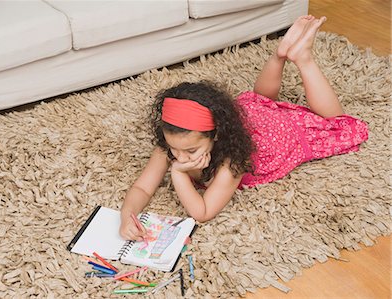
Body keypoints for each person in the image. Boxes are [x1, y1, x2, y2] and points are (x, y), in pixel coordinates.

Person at [119, 15, 368, 241]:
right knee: (259, 102)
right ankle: (278, 56)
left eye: (191, 151)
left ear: (215, 134)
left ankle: (304, 59)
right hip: (251, 119)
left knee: (336, 122)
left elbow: (202, 212)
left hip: (276, 135)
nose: (180, 157)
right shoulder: (174, 145)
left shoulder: (231, 163)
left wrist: (178, 173)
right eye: (174, 150)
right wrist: (127, 215)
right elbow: (142, 187)